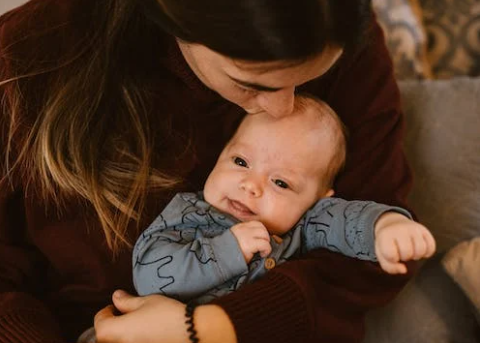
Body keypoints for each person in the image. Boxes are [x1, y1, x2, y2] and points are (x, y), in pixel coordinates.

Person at [0, 0, 417, 342]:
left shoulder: (336, 22)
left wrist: (214, 328)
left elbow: (372, 251)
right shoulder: (26, 54)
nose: (283, 109)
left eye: (311, 79)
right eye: (251, 83)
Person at [131, 95, 435, 304]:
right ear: (220, 154)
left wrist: (385, 226)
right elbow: (149, 275)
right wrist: (228, 250)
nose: (251, 185)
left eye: (280, 182)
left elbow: (347, 220)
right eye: (240, 161)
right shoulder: (189, 213)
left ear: (317, 200)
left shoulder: (305, 228)